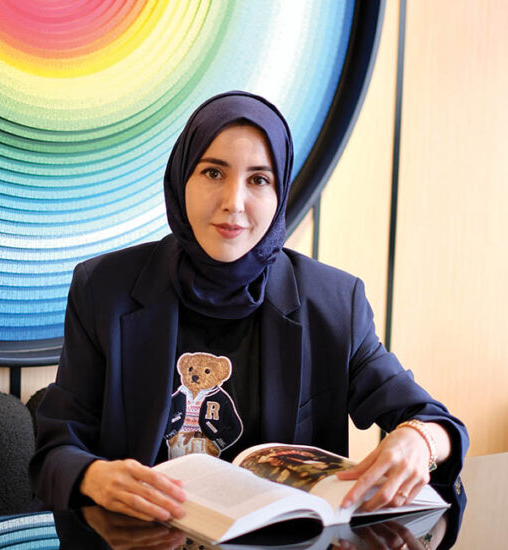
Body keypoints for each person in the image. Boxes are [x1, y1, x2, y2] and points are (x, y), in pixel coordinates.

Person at [30, 91, 468, 524]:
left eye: (258, 180)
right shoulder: (105, 289)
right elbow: (55, 452)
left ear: (280, 193)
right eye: (213, 172)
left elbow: (431, 419)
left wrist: (420, 440)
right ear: (182, 178)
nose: (233, 203)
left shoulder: (333, 302)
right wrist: (93, 477)